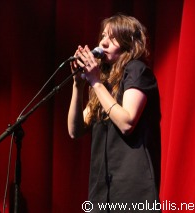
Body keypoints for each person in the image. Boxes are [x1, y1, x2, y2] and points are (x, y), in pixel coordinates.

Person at [67, 14, 161, 212]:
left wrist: (95, 82)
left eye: (113, 37)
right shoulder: (104, 82)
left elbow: (127, 122)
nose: (103, 42)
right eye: (103, 36)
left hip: (132, 192)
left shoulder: (136, 71)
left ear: (129, 43)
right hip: (102, 191)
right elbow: (75, 130)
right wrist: (78, 85)